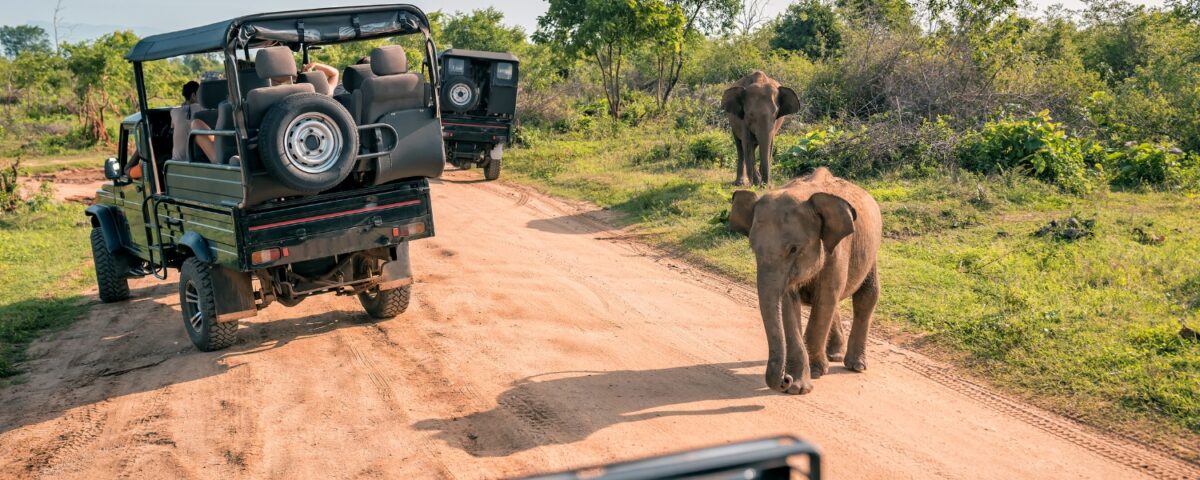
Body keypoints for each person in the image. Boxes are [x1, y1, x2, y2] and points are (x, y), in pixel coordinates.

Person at [170, 81, 201, 161]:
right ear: (193, 96)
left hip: (177, 161)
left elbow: (174, 128)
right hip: (198, 160)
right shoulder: (203, 109)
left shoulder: (174, 112)